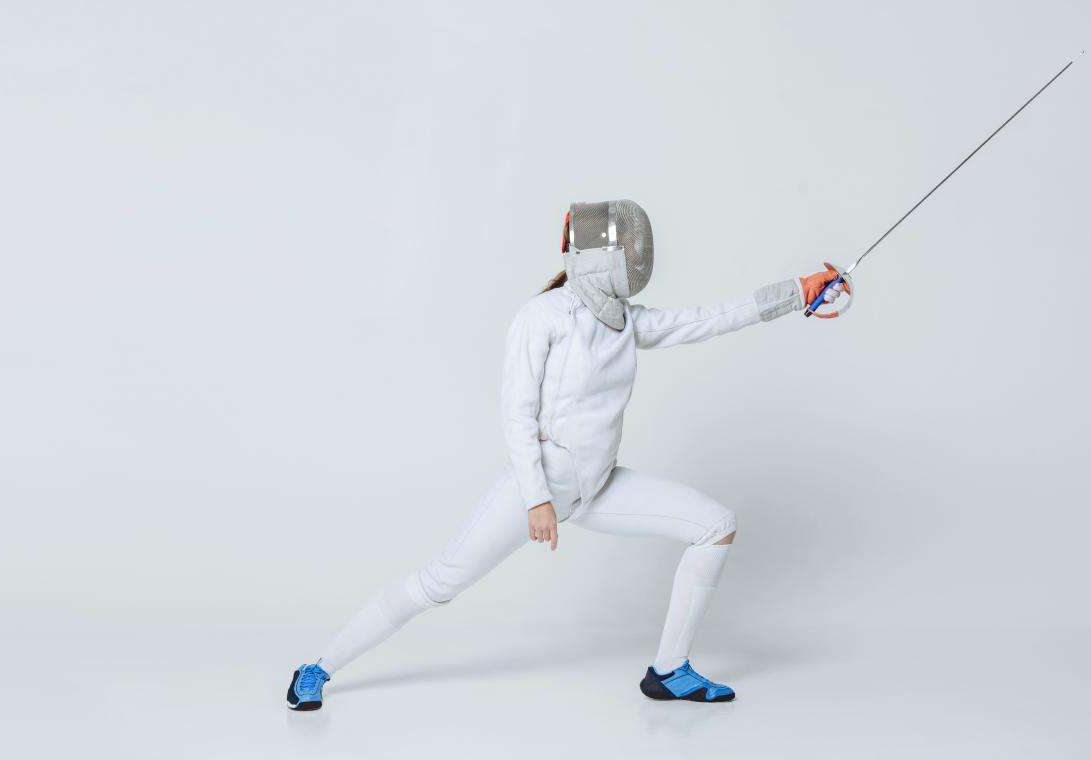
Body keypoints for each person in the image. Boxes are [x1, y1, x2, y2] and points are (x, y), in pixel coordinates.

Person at [286, 199, 848, 709]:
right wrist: (536, 500)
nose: (637, 256)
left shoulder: (624, 320)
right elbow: (516, 414)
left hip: (597, 486)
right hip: (541, 485)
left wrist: (796, 292)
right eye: (628, 248)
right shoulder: (542, 317)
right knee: (439, 583)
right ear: (600, 255)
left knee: (715, 525)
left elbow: (706, 320)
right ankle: (318, 667)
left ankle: (669, 671)